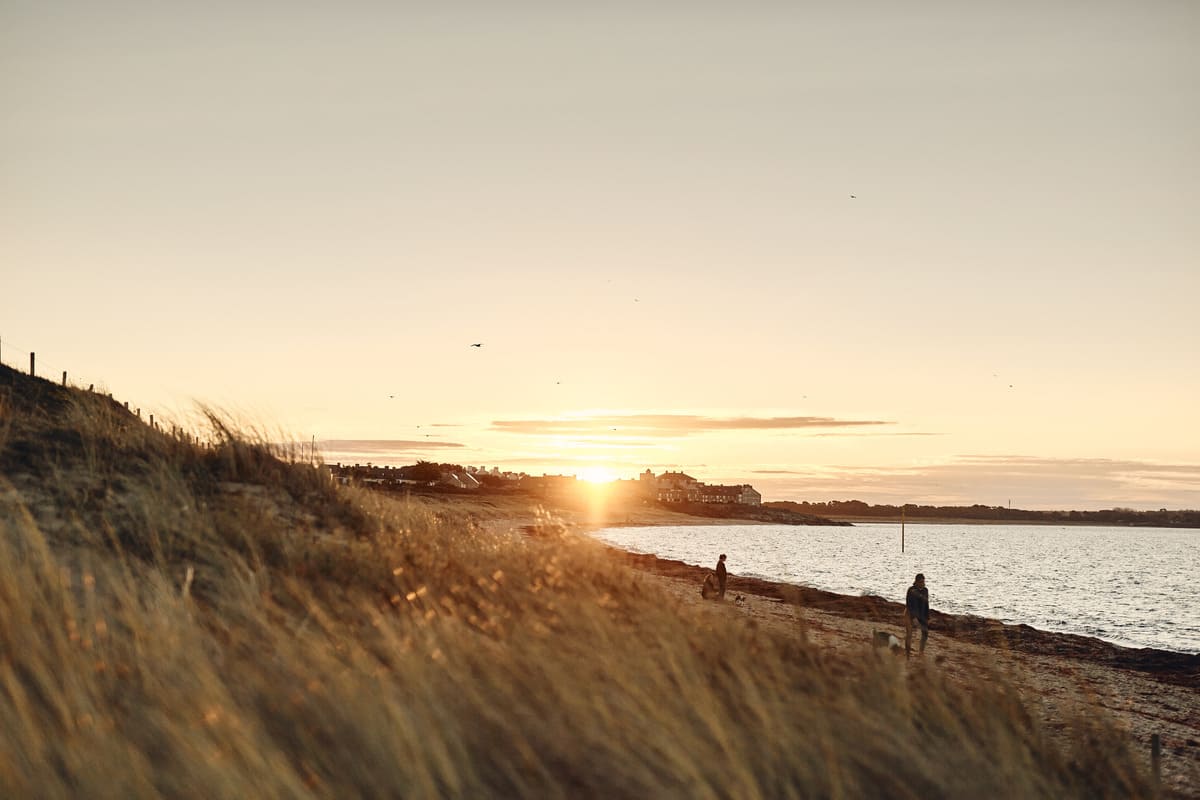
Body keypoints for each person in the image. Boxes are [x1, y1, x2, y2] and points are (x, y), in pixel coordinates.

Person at [904, 573, 929, 658]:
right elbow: (909, 604)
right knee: (909, 634)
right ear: (916, 582)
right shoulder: (911, 590)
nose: (923, 583)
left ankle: (921, 652)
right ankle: (907, 654)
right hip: (909, 614)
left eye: (923, 582)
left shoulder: (925, 590)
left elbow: (926, 604)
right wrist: (914, 618)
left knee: (925, 632)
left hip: (921, 614)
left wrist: (927, 617)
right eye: (921, 582)